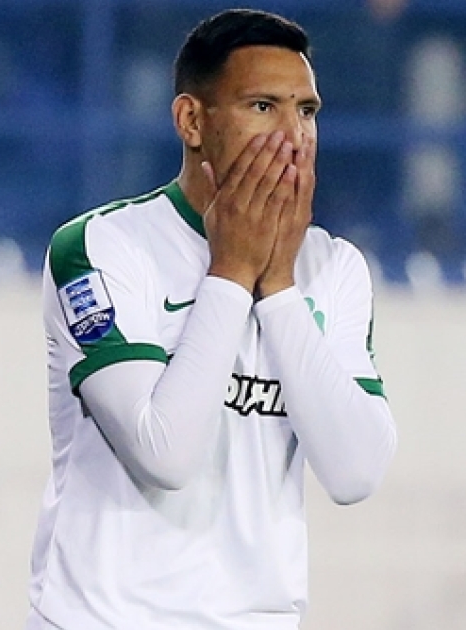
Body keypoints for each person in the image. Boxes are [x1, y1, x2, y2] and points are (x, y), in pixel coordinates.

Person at [27, 9, 398, 629]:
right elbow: (164, 454)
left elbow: (355, 473)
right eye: (263, 107)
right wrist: (231, 273)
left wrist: (278, 289)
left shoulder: (335, 268)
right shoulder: (101, 247)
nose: (294, 135)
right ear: (191, 121)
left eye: (307, 111)